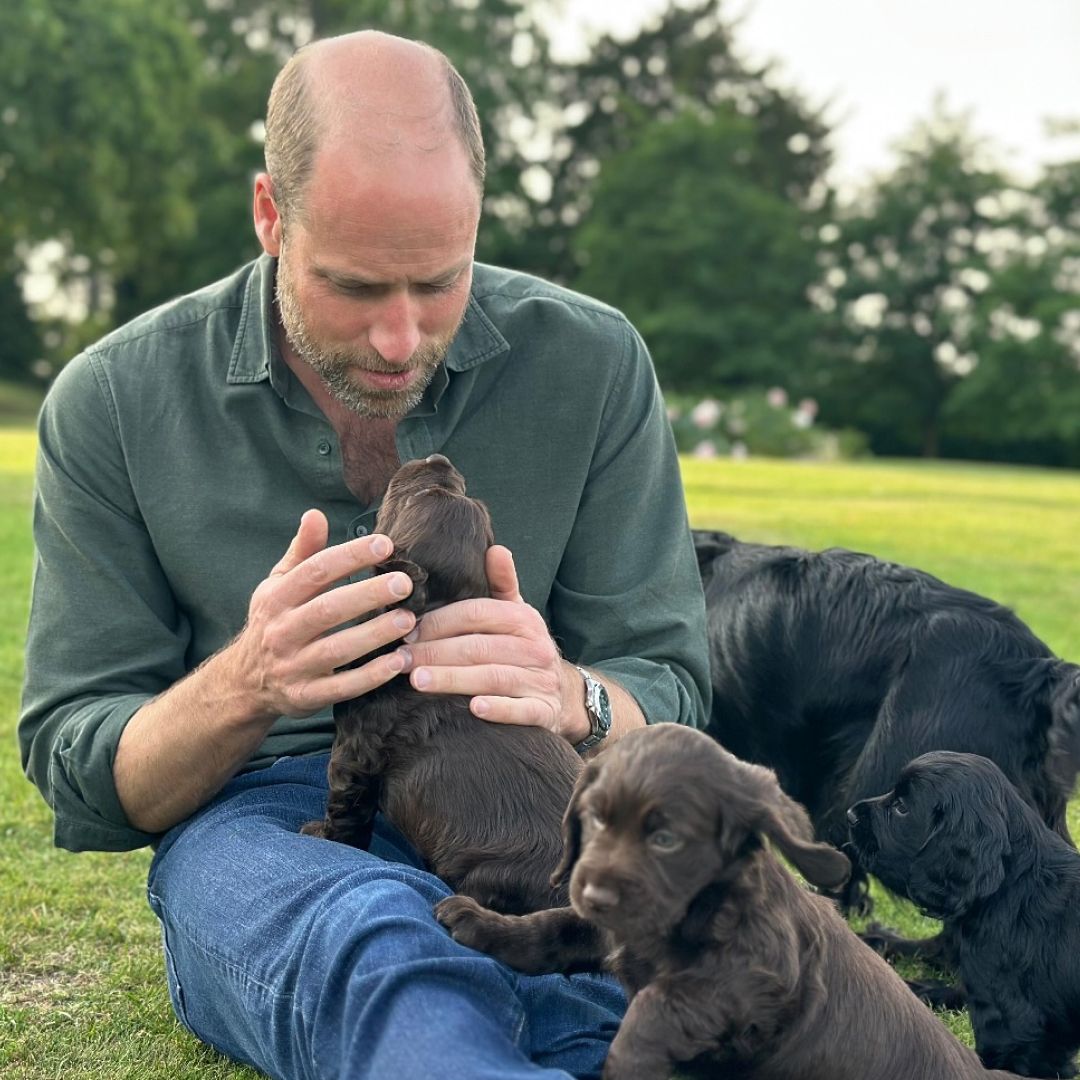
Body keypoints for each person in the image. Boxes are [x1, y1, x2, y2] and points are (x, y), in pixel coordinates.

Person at [19, 29, 711, 1080]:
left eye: (438, 284)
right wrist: (246, 685)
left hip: (535, 802)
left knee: (663, 989)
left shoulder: (595, 361)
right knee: (378, 949)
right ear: (268, 216)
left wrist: (578, 697)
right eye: (353, 287)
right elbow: (80, 760)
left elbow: (671, 681)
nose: (399, 339)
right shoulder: (114, 402)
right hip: (276, 817)